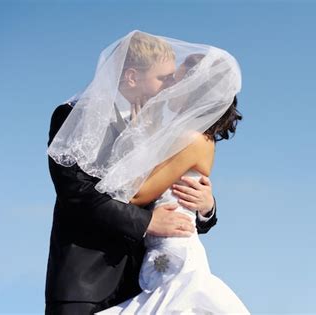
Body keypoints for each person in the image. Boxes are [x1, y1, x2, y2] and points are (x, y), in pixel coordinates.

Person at [45, 32, 218, 315]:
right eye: (164, 78)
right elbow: (76, 195)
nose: (171, 85)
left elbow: (165, 187)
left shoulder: (159, 126)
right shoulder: (73, 115)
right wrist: (147, 222)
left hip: (147, 284)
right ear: (132, 78)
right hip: (86, 285)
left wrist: (206, 205)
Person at [95, 43, 249, 313]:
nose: (167, 88)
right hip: (156, 252)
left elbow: (137, 194)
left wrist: (137, 136)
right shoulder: (181, 134)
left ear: (191, 91)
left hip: (175, 254)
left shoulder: (192, 139)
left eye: (174, 82)